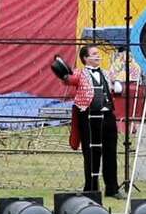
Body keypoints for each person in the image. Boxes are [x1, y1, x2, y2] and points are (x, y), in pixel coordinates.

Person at [54, 45, 125, 200]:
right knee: (91, 152)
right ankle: (91, 187)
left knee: (110, 152)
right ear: (85, 58)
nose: (98, 56)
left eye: (98, 54)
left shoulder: (105, 73)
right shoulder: (80, 73)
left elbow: (115, 87)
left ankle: (112, 188)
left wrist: (117, 85)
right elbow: (69, 80)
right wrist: (63, 74)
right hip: (89, 117)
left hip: (107, 117)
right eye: (94, 54)